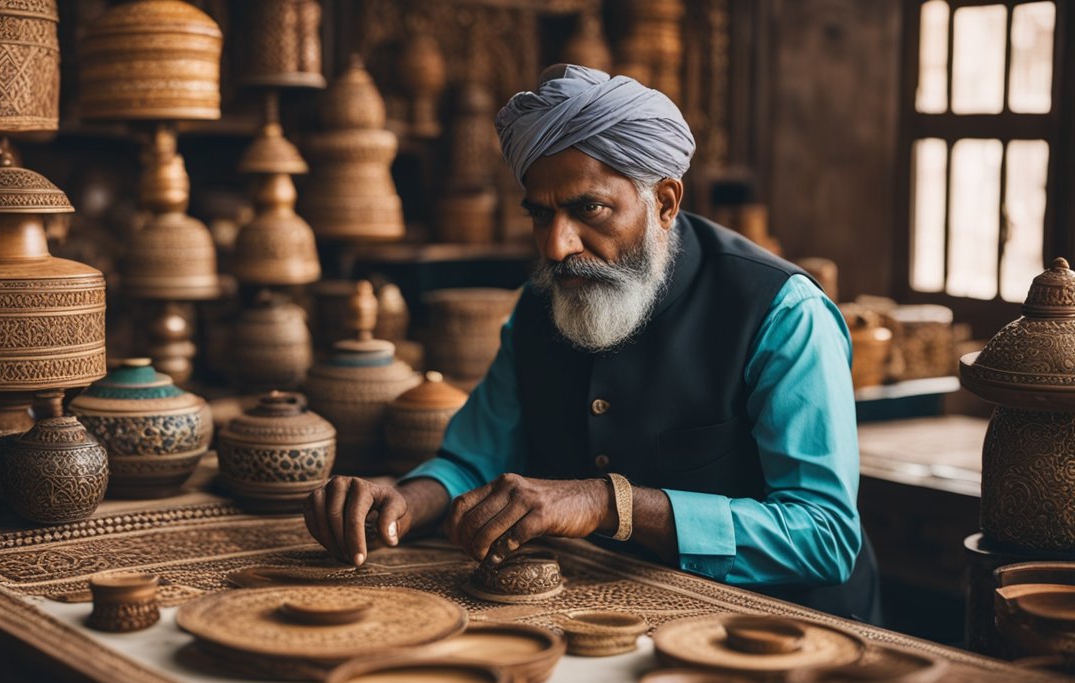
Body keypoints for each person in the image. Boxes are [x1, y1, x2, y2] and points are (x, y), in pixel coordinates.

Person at [303, 64, 880, 622]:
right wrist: (404, 501)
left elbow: (824, 536)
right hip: (613, 615)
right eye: (540, 215)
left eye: (589, 209)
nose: (556, 245)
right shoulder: (540, 305)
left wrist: (608, 503)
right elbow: (471, 460)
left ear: (665, 202)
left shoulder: (782, 312)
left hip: (786, 634)